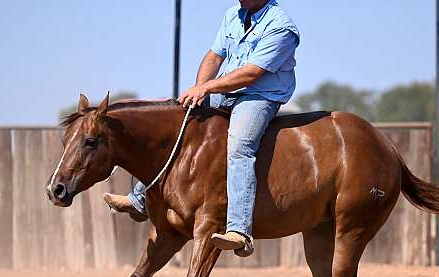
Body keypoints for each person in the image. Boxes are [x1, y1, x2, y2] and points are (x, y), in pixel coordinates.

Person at [104, 0, 299, 257]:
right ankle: (140, 198)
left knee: (240, 145)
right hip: (226, 90)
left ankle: (239, 230)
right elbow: (214, 55)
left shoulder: (282, 27)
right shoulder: (233, 15)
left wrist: (206, 88)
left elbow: (251, 74)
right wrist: (199, 88)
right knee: (175, 116)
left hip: (260, 95)